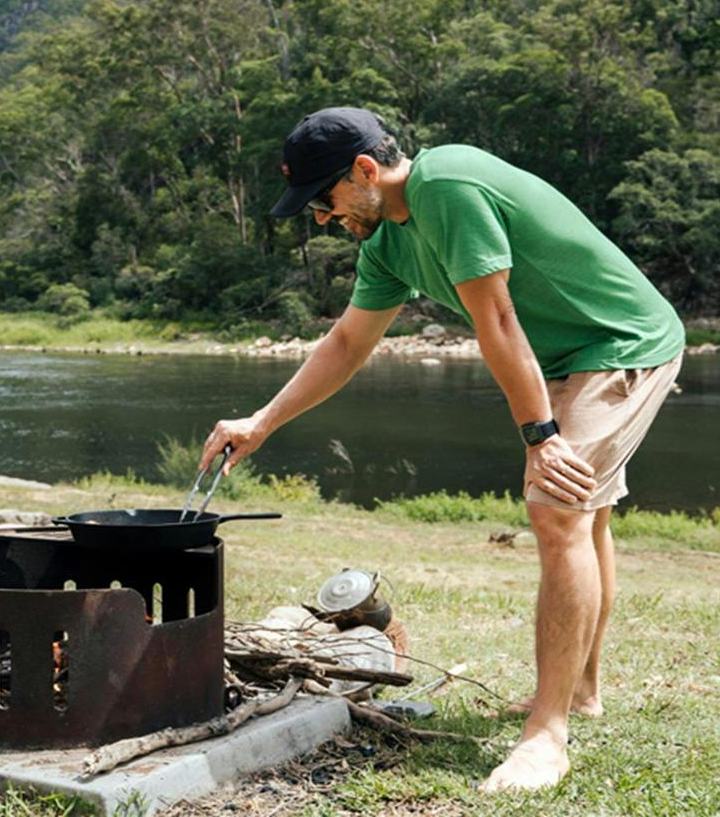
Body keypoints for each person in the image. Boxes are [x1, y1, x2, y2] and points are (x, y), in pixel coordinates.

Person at [198, 107, 684, 792]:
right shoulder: (388, 246)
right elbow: (346, 345)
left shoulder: (447, 184)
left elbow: (497, 316)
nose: (322, 218)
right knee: (586, 514)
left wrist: (541, 437)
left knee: (556, 508)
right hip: (570, 354)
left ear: (366, 171)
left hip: (623, 342)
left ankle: (546, 738)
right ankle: (580, 692)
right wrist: (263, 422)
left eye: (325, 199)